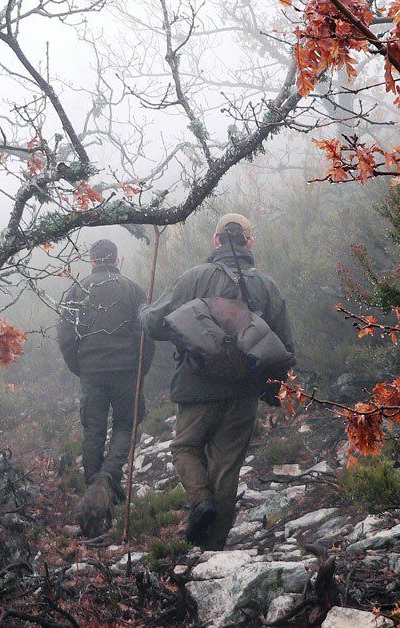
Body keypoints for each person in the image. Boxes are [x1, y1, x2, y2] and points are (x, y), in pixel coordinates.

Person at [140, 213, 294, 550]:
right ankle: (212, 548)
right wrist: (272, 390)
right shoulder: (267, 286)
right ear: (249, 243)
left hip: (195, 389)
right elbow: (284, 347)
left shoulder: (194, 277)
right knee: (227, 468)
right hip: (243, 393)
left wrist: (144, 311)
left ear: (215, 241)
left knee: (184, 448)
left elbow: (155, 324)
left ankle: (200, 501)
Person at [57, 239, 153, 534]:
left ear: (91, 261)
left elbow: (65, 337)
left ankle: (94, 496)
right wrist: (141, 369)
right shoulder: (133, 289)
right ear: (117, 260)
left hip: (92, 373)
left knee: (93, 430)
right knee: (127, 424)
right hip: (127, 372)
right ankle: (108, 479)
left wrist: (80, 367)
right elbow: (147, 334)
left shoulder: (76, 290)